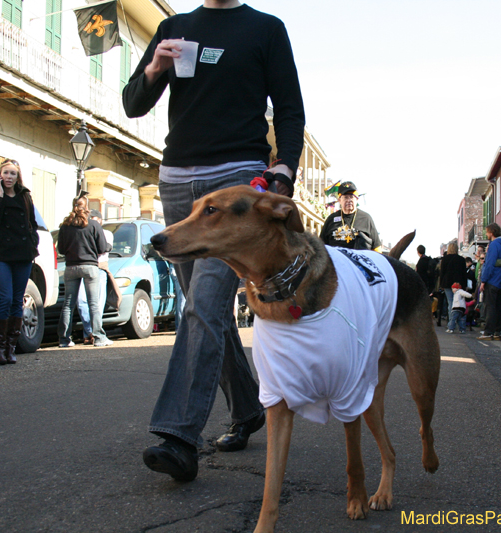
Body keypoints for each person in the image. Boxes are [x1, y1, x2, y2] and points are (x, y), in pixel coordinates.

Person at [122, 0, 304, 481]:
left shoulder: (265, 29)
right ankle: (247, 407)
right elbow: (133, 103)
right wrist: (156, 67)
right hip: (177, 182)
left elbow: (289, 107)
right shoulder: (173, 28)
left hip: (238, 178)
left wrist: (284, 165)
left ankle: (179, 435)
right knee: (205, 310)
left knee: (203, 304)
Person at [0, 159, 39, 365]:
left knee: (17, 300)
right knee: (5, 298)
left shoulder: (25, 196)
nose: (8, 177)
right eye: (5, 173)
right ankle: (0, 348)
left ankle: (11, 348)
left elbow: (32, 222)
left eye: (12, 174)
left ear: (18, 177)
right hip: (1, 254)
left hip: (22, 254)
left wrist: (34, 242)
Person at [57, 195, 112, 348]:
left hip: (70, 267)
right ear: (86, 207)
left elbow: (61, 249)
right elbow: (102, 248)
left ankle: (64, 339)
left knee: (68, 304)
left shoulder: (65, 226)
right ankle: (99, 337)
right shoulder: (93, 224)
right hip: (90, 267)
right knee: (93, 303)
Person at [76, 210, 113, 345]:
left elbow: (104, 248)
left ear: (100, 221)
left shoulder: (107, 233)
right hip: (84, 267)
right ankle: (89, 331)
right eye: (90, 219)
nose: (93, 222)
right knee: (81, 302)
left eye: (95, 220)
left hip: (100, 268)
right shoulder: (83, 232)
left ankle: (95, 334)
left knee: (97, 304)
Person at [320, 181, 382, 251]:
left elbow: (377, 248)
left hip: (359, 260)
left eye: (352, 197)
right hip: (336, 260)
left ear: (357, 199)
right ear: (339, 200)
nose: (349, 200)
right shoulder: (331, 219)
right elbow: (321, 246)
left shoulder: (366, 218)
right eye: (345, 197)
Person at [477, 223, 501, 341]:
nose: (486, 234)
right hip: (500, 279)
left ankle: (488, 332)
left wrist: (483, 280)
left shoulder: (494, 245)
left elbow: (490, 263)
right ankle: (497, 332)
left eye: (487, 232)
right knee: (499, 307)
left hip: (492, 279)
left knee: (490, 307)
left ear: (492, 232)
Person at [439, 242, 467, 332]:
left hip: (447, 283)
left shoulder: (445, 259)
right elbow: (464, 274)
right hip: (459, 284)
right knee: (459, 304)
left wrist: (441, 284)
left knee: (450, 303)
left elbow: (442, 273)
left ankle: (451, 325)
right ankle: (460, 325)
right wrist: (465, 285)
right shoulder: (462, 260)